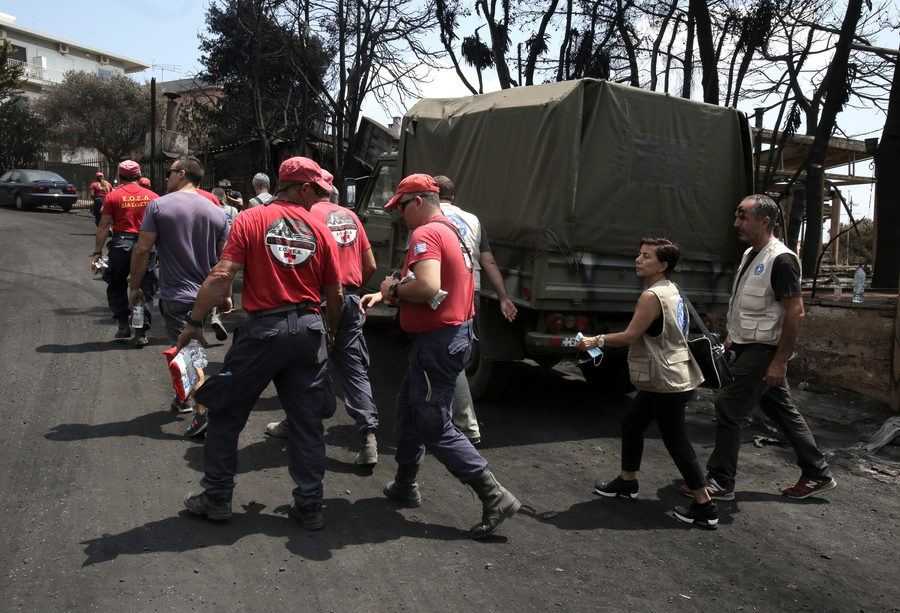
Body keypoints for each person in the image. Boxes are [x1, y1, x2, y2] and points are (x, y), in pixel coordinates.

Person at [179, 156, 343, 529]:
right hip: (308, 330)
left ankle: (218, 497)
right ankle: (310, 505)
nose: (318, 197)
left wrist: (193, 322)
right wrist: (329, 333)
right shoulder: (320, 230)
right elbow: (334, 294)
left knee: (226, 411)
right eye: (316, 190)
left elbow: (223, 274)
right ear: (302, 187)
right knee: (307, 423)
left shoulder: (251, 220)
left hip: (264, 331)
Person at [360, 174, 520, 539]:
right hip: (449, 337)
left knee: (433, 422)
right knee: (408, 410)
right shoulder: (454, 230)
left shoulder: (427, 233)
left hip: (437, 342)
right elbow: (437, 283)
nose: (400, 215)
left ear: (418, 201)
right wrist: (385, 295)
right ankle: (405, 483)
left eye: (401, 206)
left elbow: (428, 286)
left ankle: (494, 495)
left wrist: (392, 289)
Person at [681, 194, 836, 501]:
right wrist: (730, 338)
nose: (736, 223)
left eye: (743, 217)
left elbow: (796, 312)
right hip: (746, 345)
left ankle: (721, 481)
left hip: (763, 351)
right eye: (737, 216)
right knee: (780, 409)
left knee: (729, 406)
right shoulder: (752, 254)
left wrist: (780, 361)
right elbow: (747, 306)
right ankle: (816, 472)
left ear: (764, 222)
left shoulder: (781, 259)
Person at [577, 238, 716, 529]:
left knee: (676, 440)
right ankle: (627, 482)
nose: (638, 260)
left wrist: (596, 340)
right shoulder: (672, 289)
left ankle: (705, 505)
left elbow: (629, 336)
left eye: (646, 257)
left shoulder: (651, 296)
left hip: (666, 380)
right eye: (639, 255)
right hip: (671, 374)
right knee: (632, 424)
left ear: (663, 265)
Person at [265, 169, 380, 466]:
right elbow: (370, 265)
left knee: (303, 368)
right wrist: (352, 290)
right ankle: (368, 436)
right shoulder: (351, 217)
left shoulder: (305, 215)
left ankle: (296, 422)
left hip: (314, 301)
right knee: (353, 367)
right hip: (350, 298)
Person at [128, 156, 229, 433]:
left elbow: (141, 250)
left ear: (181, 174)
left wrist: (134, 287)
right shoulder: (217, 212)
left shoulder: (159, 205)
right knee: (186, 348)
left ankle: (204, 410)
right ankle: (183, 396)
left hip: (177, 295)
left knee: (187, 352)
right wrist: (225, 295)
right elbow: (227, 260)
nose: (167, 177)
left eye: (169, 173)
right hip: (205, 296)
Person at [434, 175, 517, 445]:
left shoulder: (428, 217)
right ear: (453, 197)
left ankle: (462, 424)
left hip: (441, 294)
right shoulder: (473, 220)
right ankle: (443, 417)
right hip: (471, 294)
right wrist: (503, 297)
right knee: (453, 354)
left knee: (446, 357)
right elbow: (488, 261)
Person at [91, 161, 158, 347]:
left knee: (116, 282)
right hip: (146, 246)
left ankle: (122, 323)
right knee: (145, 287)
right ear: (139, 175)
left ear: (120, 176)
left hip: (121, 246)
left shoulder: (112, 196)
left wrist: (97, 253)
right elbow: (161, 226)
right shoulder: (153, 197)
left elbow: (104, 226)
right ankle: (141, 332)